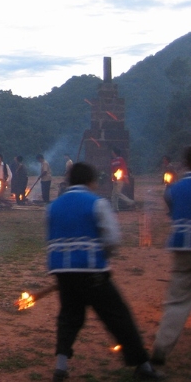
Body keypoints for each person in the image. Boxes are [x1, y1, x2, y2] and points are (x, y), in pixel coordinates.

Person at [46, 162, 163, 381]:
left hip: (63, 273)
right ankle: (144, 366)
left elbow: (51, 239)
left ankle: (60, 367)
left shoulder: (53, 206)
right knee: (118, 317)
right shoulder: (97, 203)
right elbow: (112, 239)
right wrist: (103, 257)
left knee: (69, 319)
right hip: (93, 273)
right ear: (91, 181)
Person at [151, 146, 191, 367]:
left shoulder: (174, 189)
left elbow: (171, 206)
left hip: (182, 245)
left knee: (177, 301)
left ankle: (161, 347)